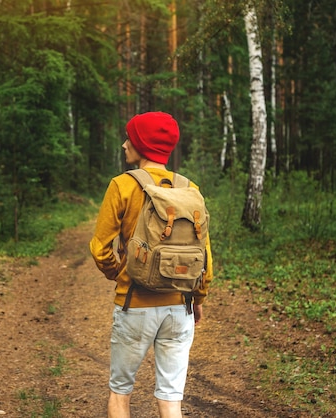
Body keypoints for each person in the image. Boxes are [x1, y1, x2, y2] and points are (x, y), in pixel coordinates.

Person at [89, 111, 213, 418]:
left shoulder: (122, 185)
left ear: (141, 144)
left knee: (120, 392)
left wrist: (117, 272)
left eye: (129, 137)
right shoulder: (190, 188)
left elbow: (100, 248)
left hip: (135, 303)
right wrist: (197, 299)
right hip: (179, 308)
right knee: (171, 399)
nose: (123, 144)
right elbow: (205, 259)